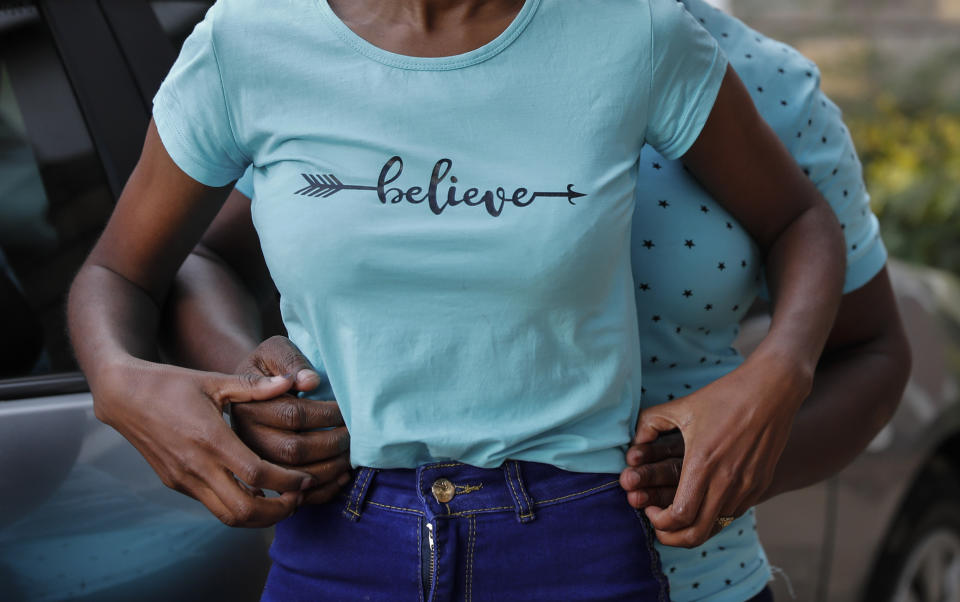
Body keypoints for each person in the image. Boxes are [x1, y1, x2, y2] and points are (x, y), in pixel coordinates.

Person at [67, 0, 848, 599]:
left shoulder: (633, 32)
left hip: (573, 542)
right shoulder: (248, 39)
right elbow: (119, 273)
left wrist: (776, 377)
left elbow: (801, 220)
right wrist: (122, 384)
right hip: (335, 536)